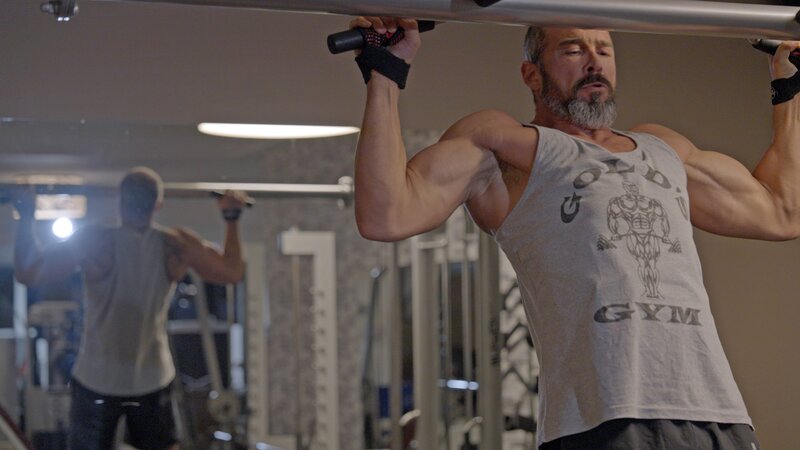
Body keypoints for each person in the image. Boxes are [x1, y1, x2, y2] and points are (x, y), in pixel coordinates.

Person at [350, 16, 800, 449]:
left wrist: (789, 87)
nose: (593, 61)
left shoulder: (664, 149)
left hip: (717, 415)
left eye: (604, 50)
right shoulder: (505, 145)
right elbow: (385, 215)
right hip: (602, 421)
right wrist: (386, 72)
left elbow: (783, 211)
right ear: (531, 74)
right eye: (572, 50)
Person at [12, 167, 250, 450]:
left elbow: (28, 272)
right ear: (158, 204)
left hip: (99, 378)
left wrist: (26, 214)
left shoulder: (94, 241)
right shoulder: (175, 244)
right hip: (149, 378)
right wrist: (231, 217)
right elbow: (231, 271)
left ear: (119, 199)